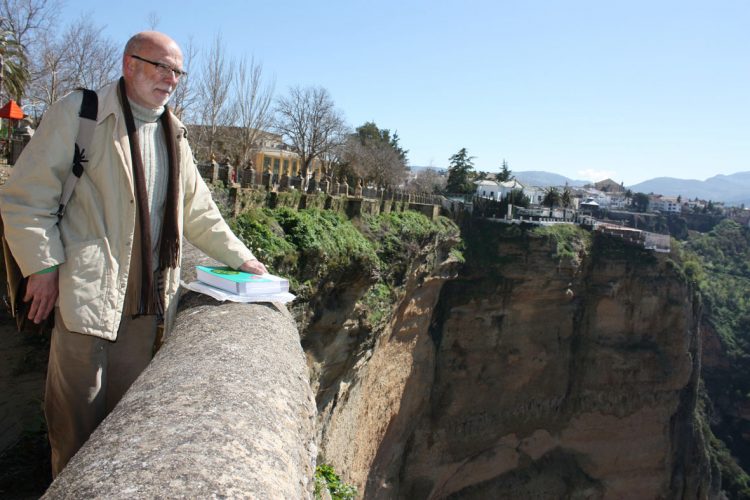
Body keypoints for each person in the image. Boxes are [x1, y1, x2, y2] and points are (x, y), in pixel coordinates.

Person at [0, 31, 267, 477]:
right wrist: (42, 267)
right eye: (161, 67)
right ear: (129, 63)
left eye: (178, 71)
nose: (172, 79)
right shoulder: (81, 112)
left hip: (147, 304)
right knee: (75, 424)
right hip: (86, 294)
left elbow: (198, 211)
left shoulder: (174, 131)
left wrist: (244, 260)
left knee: (124, 425)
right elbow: (27, 199)